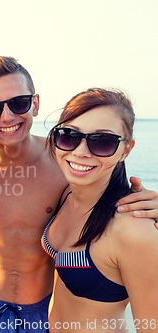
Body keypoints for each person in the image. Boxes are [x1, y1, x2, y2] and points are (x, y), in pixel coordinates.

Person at [0, 56, 158, 333]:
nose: (7, 116)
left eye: (18, 103)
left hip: (43, 312)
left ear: (35, 104)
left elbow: (107, 198)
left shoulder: (64, 161)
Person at [42, 88, 158, 332]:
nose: (81, 152)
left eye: (103, 141)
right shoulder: (67, 195)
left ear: (126, 150)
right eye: (69, 136)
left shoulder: (133, 227)